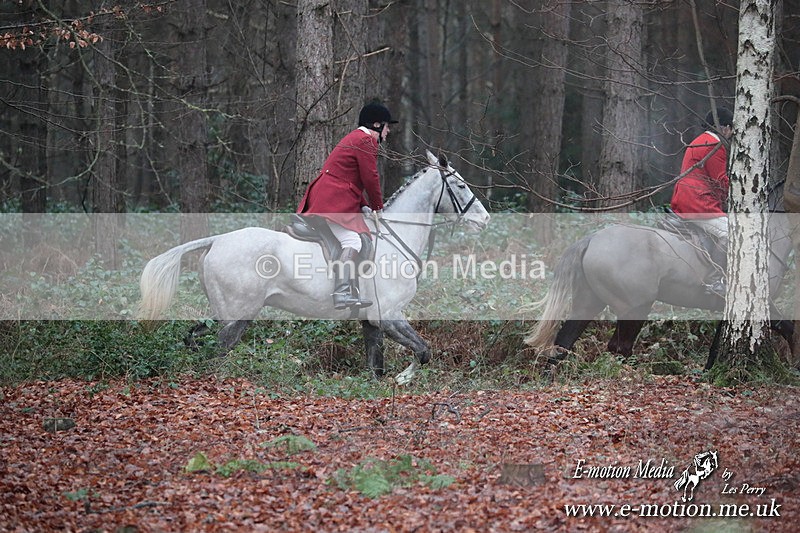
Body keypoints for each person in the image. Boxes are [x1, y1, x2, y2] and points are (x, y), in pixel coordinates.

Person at [296, 102, 398, 309]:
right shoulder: (366, 140)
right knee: (353, 241)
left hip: (331, 195)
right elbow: (370, 177)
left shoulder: (355, 138)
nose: (388, 131)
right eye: (387, 126)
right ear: (376, 125)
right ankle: (342, 292)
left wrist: (364, 206)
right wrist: (378, 207)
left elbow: (350, 179)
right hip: (333, 200)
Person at [670, 107, 733, 296]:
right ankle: (715, 280)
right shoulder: (715, 144)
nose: (731, 134)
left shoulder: (698, 140)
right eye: (731, 129)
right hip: (698, 202)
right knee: (730, 232)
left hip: (685, 198)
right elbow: (719, 180)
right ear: (724, 128)